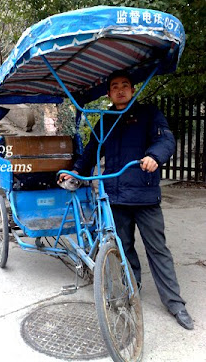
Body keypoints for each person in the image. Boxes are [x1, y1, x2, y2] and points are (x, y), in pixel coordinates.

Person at [59, 70, 194, 330]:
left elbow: (165, 139)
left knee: (158, 250)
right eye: (115, 86)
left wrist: (155, 155)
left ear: (132, 89)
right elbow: (90, 153)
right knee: (125, 249)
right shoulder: (104, 120)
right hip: (115, 199)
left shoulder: (149, 114)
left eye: (125, 85)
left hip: (145, 197)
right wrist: (76, 171)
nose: (120, 90)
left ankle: (175, 303)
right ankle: (133, 290)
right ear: (109, 93)